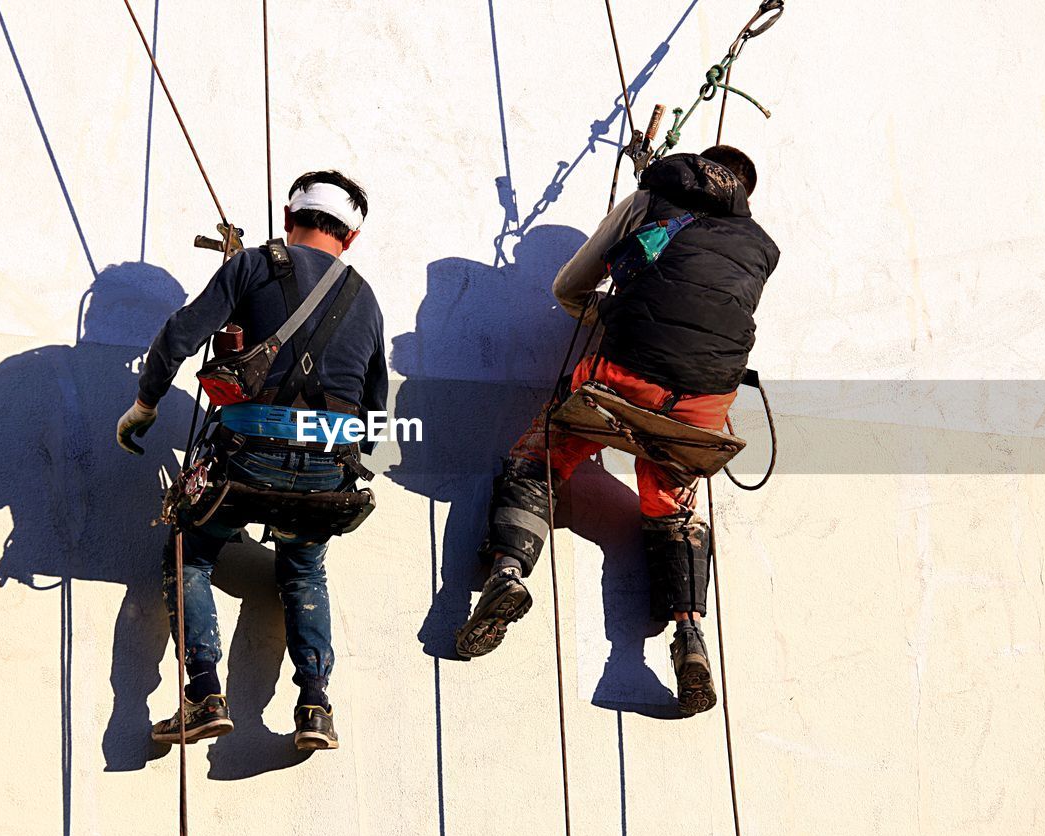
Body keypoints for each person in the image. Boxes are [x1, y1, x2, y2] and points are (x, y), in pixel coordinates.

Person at [456, 146, 780, 716]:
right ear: (744, 195)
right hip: (704, 406)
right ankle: (690, 636)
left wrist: (611, 313)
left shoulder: (649, 201)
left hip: (624, 377)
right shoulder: (761, 249)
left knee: (540, 455)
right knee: (673, 503)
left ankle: (506, 573)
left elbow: (568, 288)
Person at [115, 170, 386, 749]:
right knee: (304, 567)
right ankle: (315, 706)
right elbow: (377, 410)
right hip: (327, 471)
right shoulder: (365, 297)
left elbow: (179, 336)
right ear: (351, 237)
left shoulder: (253, 265)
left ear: (290, 220)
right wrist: (355, 469)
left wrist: (144, 406)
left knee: (189, 553)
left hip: (246, 461)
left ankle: (204, 695)